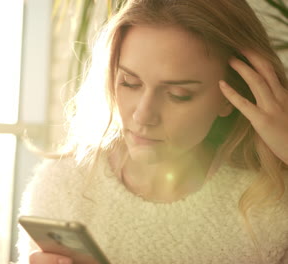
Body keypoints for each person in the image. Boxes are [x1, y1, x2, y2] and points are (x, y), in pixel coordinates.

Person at [16, 0, 288, 263]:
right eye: (130, 83)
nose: (142, 115)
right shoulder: (63, 188)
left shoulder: (271, 204)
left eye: (178, 94)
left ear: (230, 98)